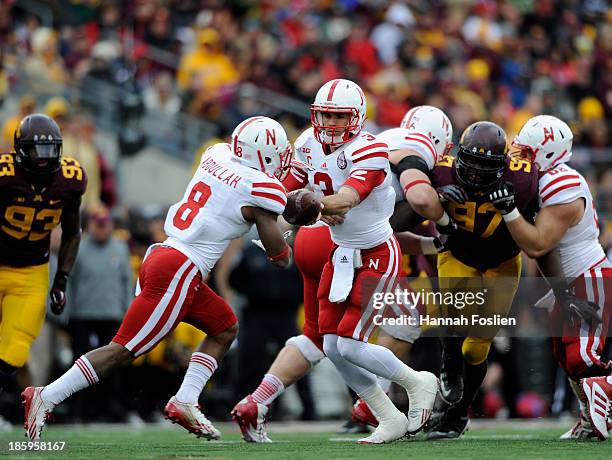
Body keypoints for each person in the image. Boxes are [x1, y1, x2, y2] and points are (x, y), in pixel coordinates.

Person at [22, 116, 293, 441]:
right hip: (179, 269)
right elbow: (280, 257)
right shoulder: (261, 190)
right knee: (123, 348)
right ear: (264, 154)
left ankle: (186, 400)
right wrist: (299, 223)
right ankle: (46, 396)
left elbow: (247, 197)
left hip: (166, 256)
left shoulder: (217, 154)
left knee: (224, 328)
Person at [235, 79, 439, 445]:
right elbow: (285, 188)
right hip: (339, 252)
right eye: (324, 115)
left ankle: (417, 381)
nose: (329, 123)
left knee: (351, 343)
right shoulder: (307, 144)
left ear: (357, 118)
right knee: (330, 345)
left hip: (376, 252)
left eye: (338, 116)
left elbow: (345, 199)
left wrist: (309, 204)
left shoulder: (371, 149)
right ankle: (386, 415)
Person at [487, 115, 611, 440]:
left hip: (589, 276)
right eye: (518, 149)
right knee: (567, 361)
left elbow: (537, 243)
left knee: (582, 357)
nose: (518, 158)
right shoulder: (537, 179)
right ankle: (590, 417)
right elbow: (543, 253)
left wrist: (509, 211)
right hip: (565, 283)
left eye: (526, 153)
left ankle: (605, 392)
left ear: (547, 154)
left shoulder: (563, 184)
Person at [426, 121, 539, 439]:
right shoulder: (442, 169)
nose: (475, 172)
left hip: (502, 263)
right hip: (458, 254)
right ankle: (448, 361)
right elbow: (415, 203)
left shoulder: (523, 178)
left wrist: (514, 210)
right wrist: (436, 199)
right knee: (451, 318)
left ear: (502, 164)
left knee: (476, 349)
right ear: (459, 154)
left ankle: (459, 413)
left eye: (484, 165)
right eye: (471, 162)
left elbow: (535, 230)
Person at [0, 114, 86, 394]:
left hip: (31, 271)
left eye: (50, 151)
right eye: (36, 151)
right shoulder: (5, 176)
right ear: (20, 150)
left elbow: (73, 232)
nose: (43, 158)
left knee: (15, 348)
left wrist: (61, 279)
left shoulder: (70, 180)